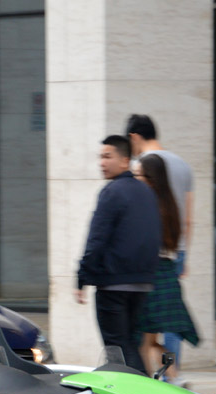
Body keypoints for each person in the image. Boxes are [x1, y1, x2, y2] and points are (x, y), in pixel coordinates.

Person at [75, 135, 162, 373]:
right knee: (130, 343)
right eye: (100, 157)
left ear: (125, 160)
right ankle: (142, 387)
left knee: (118, 347)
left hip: (113, 283)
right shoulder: (146, 192)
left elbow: (96, 238)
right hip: (141, 283)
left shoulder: (112, 192)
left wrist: (82, 277)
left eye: (107, 157)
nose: (102, 163)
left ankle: (138, 391)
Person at [125, 114, 194, 368]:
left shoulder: (141, 165)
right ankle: (172, 373)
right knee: (169, 327)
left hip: (149, 261)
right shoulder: (183, 165)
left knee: (145, 334)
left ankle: (163, 376)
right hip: (174, 252)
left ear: (134, 137)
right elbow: (189, 219)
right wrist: (183, 254)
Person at [134, 154, 200, 380]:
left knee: (144, 342)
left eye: (138, 174)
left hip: (150, 274)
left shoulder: (147, 205)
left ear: (150, 178)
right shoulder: (169, 204)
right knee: (152, 340)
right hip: (166, 271)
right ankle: (175, 377)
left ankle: (152, 386)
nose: (135, 178)